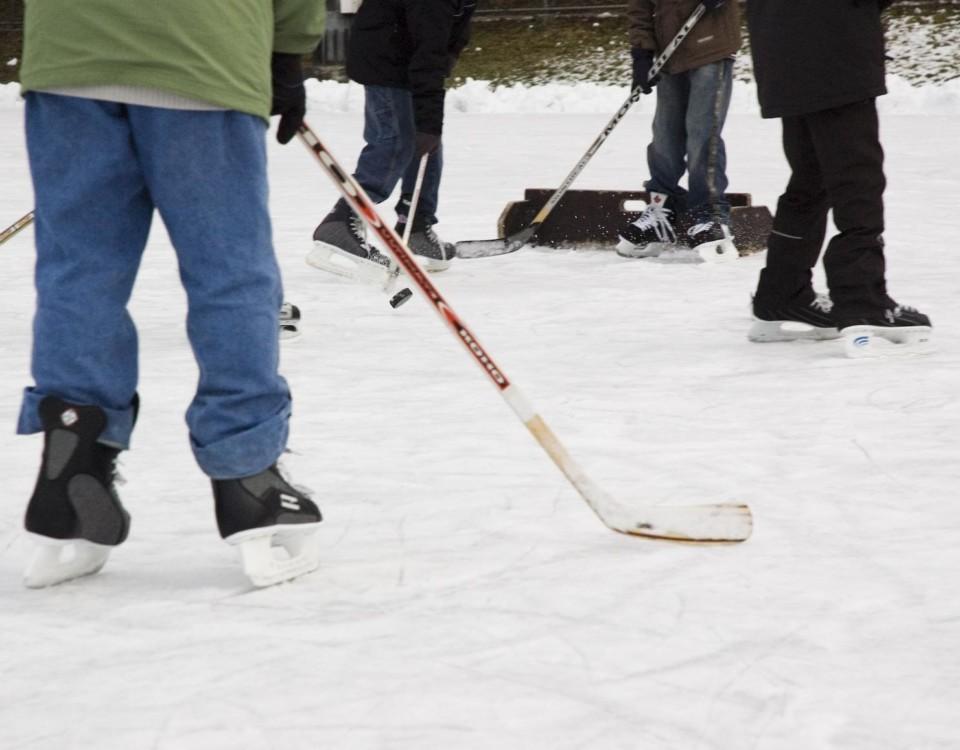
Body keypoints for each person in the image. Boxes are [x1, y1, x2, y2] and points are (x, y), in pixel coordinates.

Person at [16, 0, 326, 589]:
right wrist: (288, 51)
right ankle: (248, 479)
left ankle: (71, 461)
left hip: (71, 54)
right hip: (203, 49)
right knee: (229, 274)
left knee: (79, 274)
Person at [745, 0, 931, 352]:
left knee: (809, 180)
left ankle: (781, 293)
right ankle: (862, 299)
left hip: (783, 49)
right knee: (857, 182)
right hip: (835, 47)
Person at [309, 0, 477, 282]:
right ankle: (341, 221)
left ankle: (416, 225)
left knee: (426, 142)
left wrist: (429, 124)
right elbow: (430, 52)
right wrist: (430, 122)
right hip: (387, 60)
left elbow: (449, 35)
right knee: (396, 142)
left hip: (401, 53)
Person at [617, 0, 739, 261]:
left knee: (702, 132)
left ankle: (709, 212)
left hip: (711, 46)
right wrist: (642, 53)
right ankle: (663, 206)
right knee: (664, 136)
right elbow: (639, 6)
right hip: (669, 52)